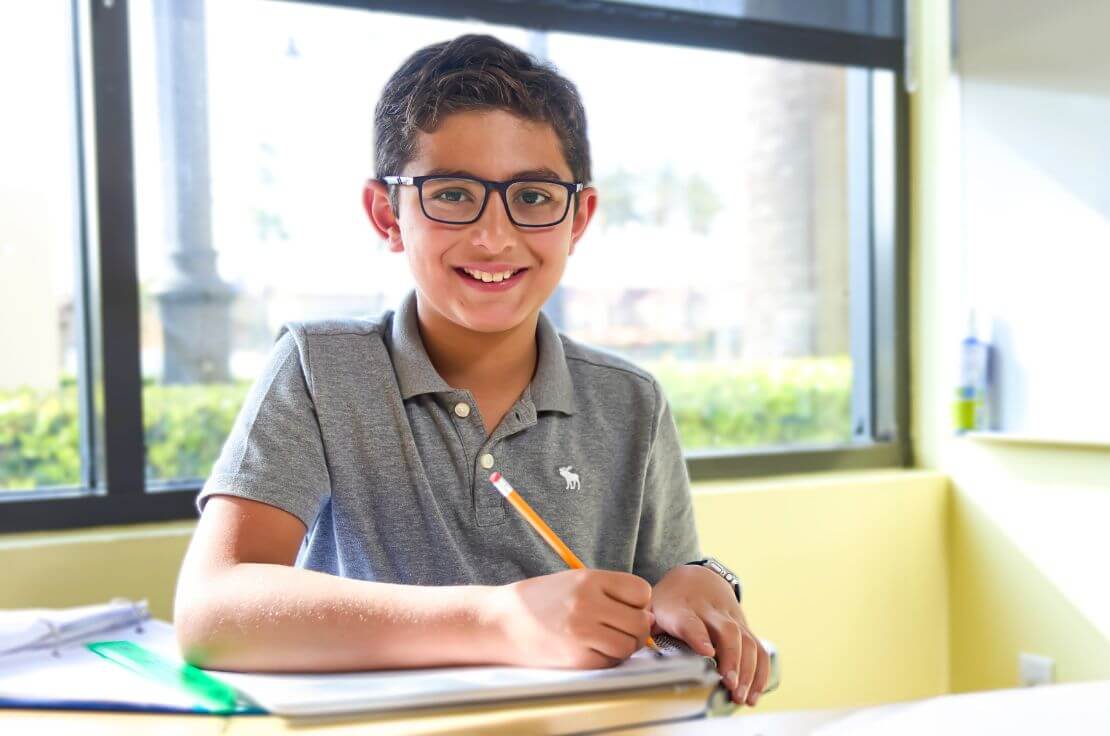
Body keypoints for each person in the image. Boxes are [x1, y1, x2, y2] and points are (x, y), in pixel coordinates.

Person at [174, 33, 769, 707]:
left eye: (535, 197)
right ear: (386, 214)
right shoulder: (320, 369)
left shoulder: (629, 402)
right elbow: (213, 611)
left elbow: (665, 613)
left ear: (579, 218)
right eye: (453, 194)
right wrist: (499, 620)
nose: (494, 236)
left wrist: (696, 582)